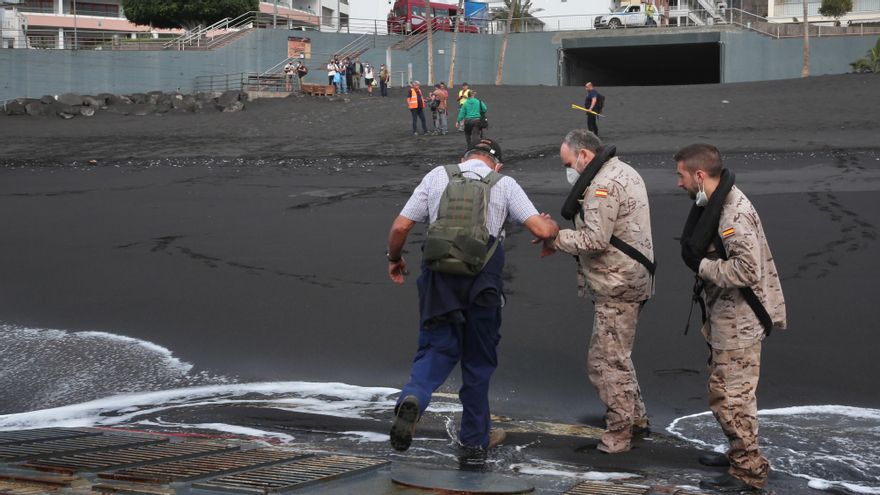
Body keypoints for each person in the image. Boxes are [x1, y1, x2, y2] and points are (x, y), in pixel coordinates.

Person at [385, 138, 560, 466]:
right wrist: (550, 226)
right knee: (478, 364)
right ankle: (475, 440)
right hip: (483, 285)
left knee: (436, 349)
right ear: (497, 164)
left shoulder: (438, 175)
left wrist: (394, 259)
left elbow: (400, 226)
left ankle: (415, 398)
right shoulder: (504, 183)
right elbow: (539, 227)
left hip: (439, 282)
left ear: (462, 158)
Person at [674, 143, 786, 492]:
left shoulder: (731, 214)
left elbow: (747, 270)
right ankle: (739, 452)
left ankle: (749, 472)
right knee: (733, 393)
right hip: (730, 318)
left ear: (699, 175)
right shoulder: (722, 202)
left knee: (729, 397)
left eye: (681, 175)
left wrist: (703, 266)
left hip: (740, 322)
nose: (678, 183)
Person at [540, 129, 655, 454]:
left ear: (585, 156)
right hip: (633, 278)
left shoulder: (602, 185)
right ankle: (636, 418)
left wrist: (553, 236)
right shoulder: (624, 170)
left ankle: (619, 434)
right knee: (619, 354)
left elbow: (594, 239)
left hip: (617, 283)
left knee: (605, 361)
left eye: (568, 163)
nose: (569, 170)